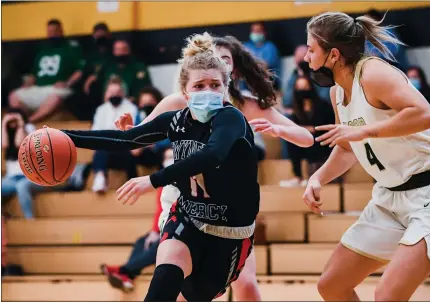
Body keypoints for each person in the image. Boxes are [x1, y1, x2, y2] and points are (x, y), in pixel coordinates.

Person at [61, 32, 260, 301]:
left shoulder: (231, 119)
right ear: (185, 92)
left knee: (195, 295)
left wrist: (152, 180)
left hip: (230, 232)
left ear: (225, 89)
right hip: (187, 219)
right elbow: (124, 139)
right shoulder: (175, 120)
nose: (208, 91)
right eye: (199, 86)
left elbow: (213, 155)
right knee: (163, 283)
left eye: (215, 85)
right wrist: (66, 137)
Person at [114, 34, 315, 301]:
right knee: (181, 281)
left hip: (229, 206)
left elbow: (306, 138)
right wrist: (129, 127)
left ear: (234, 68)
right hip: (186, 198)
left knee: (246, 285)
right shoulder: (180, 100)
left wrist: (279, 129)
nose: (217, 62)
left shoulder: (245, 105)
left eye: (225, 59)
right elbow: (138, 138)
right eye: (212, 57)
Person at [300, 11, 430, 301]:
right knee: (332, 285)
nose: (306, 58)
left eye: (311, 50)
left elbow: (425, 114)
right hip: (388, 198)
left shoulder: (372, 73)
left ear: (333, 55)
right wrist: (318, 177)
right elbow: (348, 147)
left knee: (386, 295)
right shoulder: (337, 92)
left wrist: (365, 132)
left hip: (427, 194)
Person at [8, 19, 84, 123]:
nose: (52, 34)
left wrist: (67, 83)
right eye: (50, 31)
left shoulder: (71, 48)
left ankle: (29, 122)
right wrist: (29, 81)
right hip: (38, 88)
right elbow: (34, 73)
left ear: (61, 31)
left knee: (55, 97)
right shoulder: (42, 50)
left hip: (57, 89)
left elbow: (79, 71)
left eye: (55, 31)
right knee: (13, 96)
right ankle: (23, 119)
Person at [279, 76, 334, 188]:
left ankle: (311, 177)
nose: (302, 91)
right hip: (305, 143)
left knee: (311, 140)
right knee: (292, 142)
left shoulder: (324, 106)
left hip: (323, 142)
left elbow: (329, 126)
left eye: (305, 87)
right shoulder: (296, 110)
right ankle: (297, 176)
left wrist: (310, 129)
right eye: (299, 88)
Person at [90, 77, 138, 193]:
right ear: (106, 94)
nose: (114, 95)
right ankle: (100, 178)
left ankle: (133, 186)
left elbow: (130, 131)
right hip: (107, 148)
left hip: (124, 149)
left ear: (122, 93)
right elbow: (95, 132)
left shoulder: (131, 108)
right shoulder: (101, 109)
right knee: (101, 149)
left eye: (117, 92)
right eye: (111, 92)